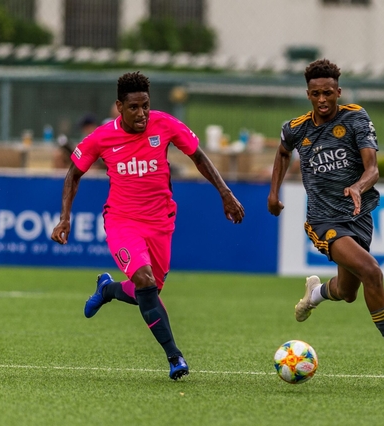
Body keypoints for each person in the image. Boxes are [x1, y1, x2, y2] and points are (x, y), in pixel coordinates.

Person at [51, 71, 245, 380]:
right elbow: (73, 174)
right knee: (144, 280)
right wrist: (65, 217)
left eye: (145, 106)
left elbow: (198, 157)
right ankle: (174, 356)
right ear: (119, 107)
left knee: (147, 290)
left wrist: (225, 193)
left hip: (160, 223)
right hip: (121, 221)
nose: (141, 113)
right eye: (134, 107)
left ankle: (108, 289)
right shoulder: (102, 137)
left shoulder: (164, 124)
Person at [267, 59, 384, 377]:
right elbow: (283, 151)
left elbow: (372, 169)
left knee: (348, 292)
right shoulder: (296, 128)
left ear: (338, 92)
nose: (322, 99)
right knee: (371, 271)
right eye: (315, 94)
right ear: (308, 94)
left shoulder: (355, 118)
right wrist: (273, 192)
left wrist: (358, 187)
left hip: (358, 214)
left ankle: (315, 293)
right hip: (323, 219)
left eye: (328, 93)